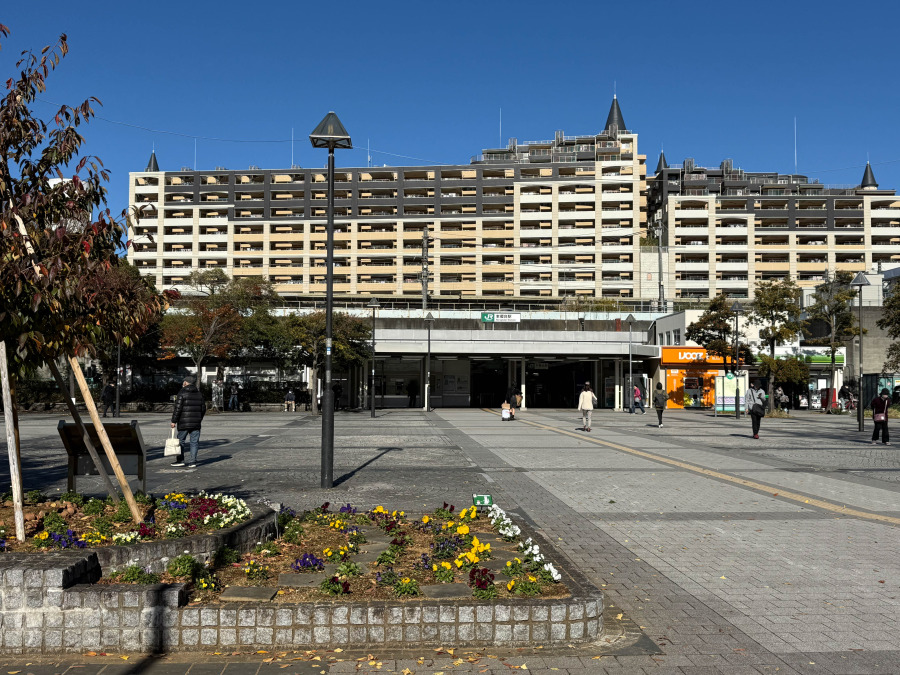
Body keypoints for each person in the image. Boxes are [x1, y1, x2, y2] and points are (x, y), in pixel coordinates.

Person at [171, 377, 206, 468]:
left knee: (180, 441)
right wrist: (199, 419)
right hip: (196, 423)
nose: (183, 383)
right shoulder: (199, 394)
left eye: (184, 381)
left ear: (186, 383)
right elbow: (203, 409)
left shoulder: (182, 393)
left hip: (184, 423)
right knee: (194, 442)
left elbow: (177, 409)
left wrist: (174, 421)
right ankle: (192, 462)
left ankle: (180, 460)